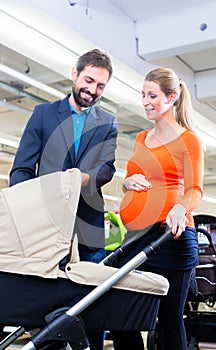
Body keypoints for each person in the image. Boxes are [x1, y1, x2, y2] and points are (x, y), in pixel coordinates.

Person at [10, 48, 118, 350]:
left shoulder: (108, 122)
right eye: (89, 80)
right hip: (46, 227)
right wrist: (28, 208)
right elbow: (21, 168)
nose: (93, 90)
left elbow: (107, 168)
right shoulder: (44, 115)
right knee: (45, 307)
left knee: (94, 305)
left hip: (89, 227)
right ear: (75, 73)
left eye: (100, 86)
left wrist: (81, 180)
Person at [112, 67, 204, 350]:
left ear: (172, 97)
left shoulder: (189, 140)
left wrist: (180, 207)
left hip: (171, 237)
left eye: (152, 95)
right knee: (119, 314)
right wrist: (127, 183)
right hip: (136, 236)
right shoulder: (141, 138)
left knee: (169, 320)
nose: (145, 101)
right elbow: (131, 180)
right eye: (143, 95)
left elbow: (194, 189)